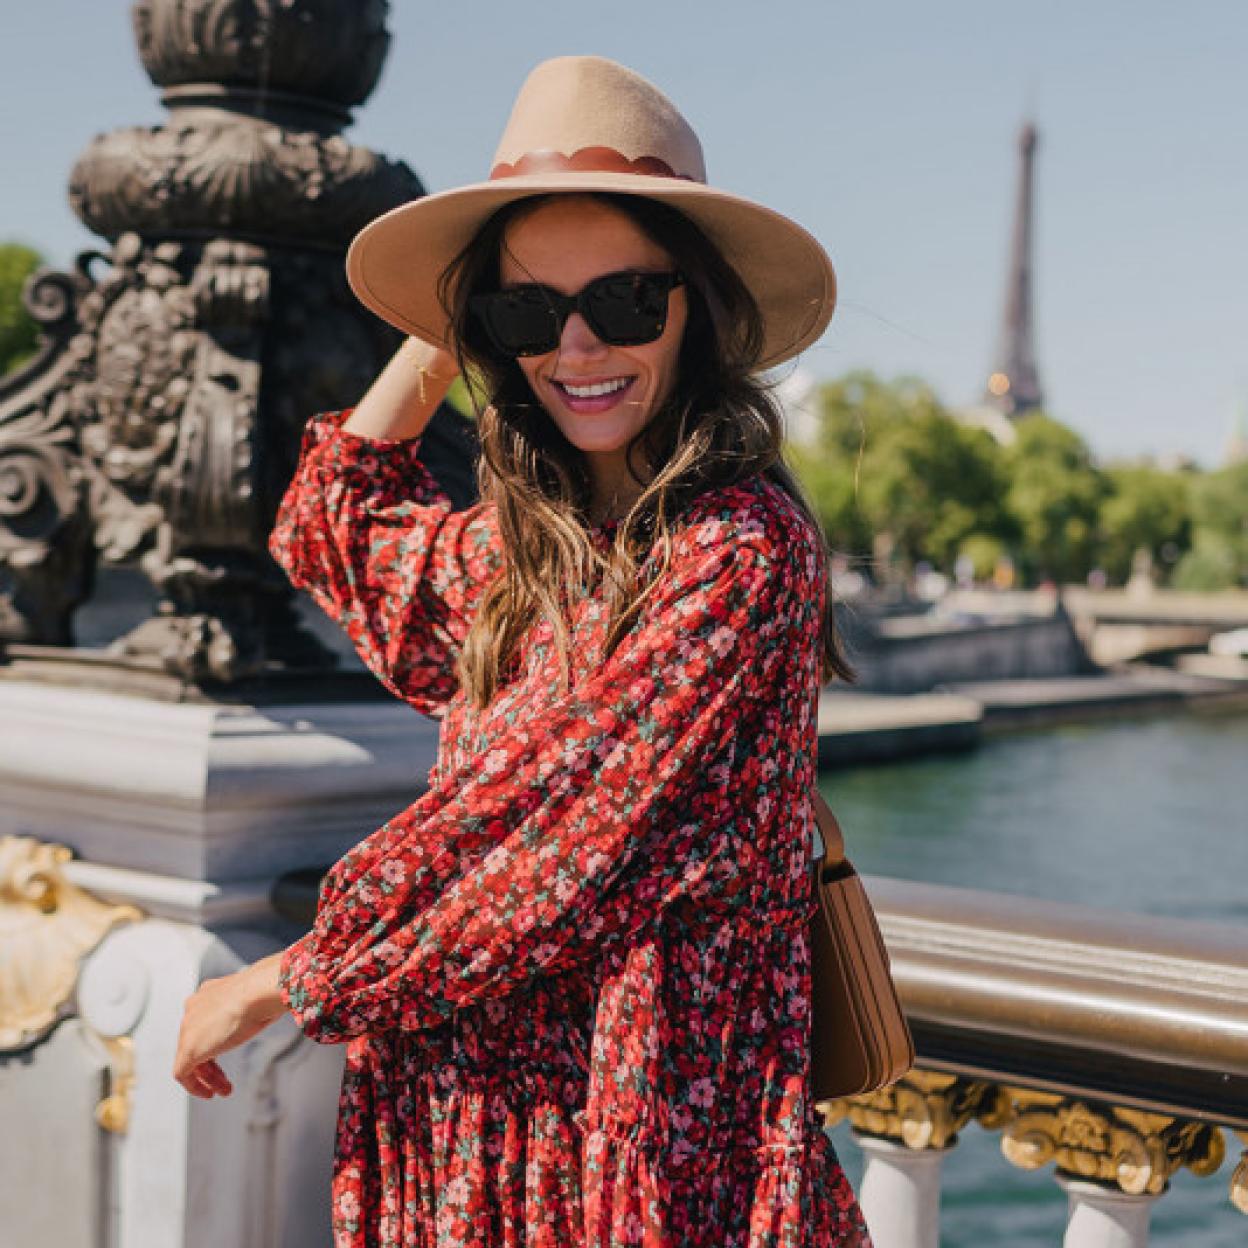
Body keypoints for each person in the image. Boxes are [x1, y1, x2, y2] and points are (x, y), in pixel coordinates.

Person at [173, 55, 871, 1247]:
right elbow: (330, 517)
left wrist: (273, 983)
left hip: (636, 1133)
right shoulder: (522, 549)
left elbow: (547, 838)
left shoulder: (740, 546)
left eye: (628, 304)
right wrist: (448, 330)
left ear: (695, 307)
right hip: (472, 1132)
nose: (579, 346)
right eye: (530, 312)